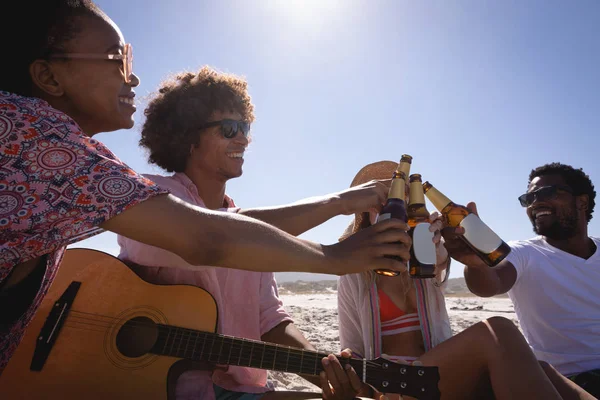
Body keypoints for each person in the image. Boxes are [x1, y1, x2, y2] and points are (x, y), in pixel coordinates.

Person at [0, 0, 410, 376]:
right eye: (118, 59)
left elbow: (261, 296)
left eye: (245, 128)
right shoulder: (35, 136)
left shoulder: (42, 141)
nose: (133, 75)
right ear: (48, 76)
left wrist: (317, 367)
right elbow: (206, 235)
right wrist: (336, 253)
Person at [117, 66, 397, 400]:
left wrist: (324, 372)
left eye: (245, 127)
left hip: (246, 389)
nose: (244, 139)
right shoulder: (152, 195)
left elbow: (271, 321)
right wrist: (339, 203)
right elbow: (214, 235)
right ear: (188, 135)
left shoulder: (254, 230)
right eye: (230, 128)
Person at [338, 161, 595, 400]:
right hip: (396, 384)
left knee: (538, 367)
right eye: (383, 205)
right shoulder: (352, 276)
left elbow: (439, 257)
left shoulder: (428, 256)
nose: (394, 210)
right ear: (369, 217)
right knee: (498, 330)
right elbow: (353, 349)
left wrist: (461, 251)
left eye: (401, 200)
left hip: (440, 376)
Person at [445, 162, 600, 398]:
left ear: (582, 202)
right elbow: (491, 283)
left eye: (547, 193)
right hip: (568, 382)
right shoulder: (524, 253)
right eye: (529, 198)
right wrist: (476, 263)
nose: (535, 202)